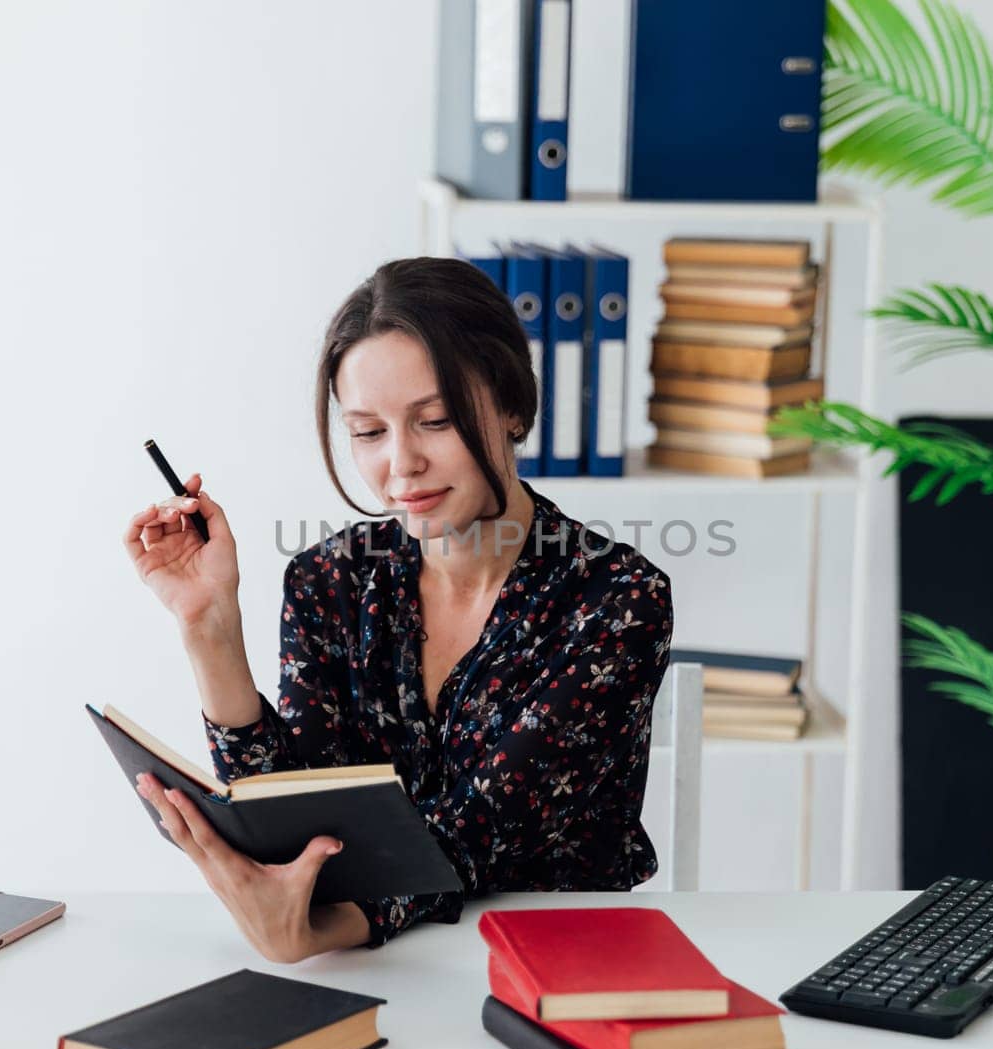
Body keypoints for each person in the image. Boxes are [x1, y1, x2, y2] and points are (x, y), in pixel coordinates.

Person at [123, 256, 673, 963]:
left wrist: (323, 927)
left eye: (435, 420)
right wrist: (208, 626)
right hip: (377, 966)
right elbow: (301, 809)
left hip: (558, 967)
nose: (400, 463)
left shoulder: (617, 601)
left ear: (511, 405)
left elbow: (482, 827)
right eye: (368, 431)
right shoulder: (330, 580)